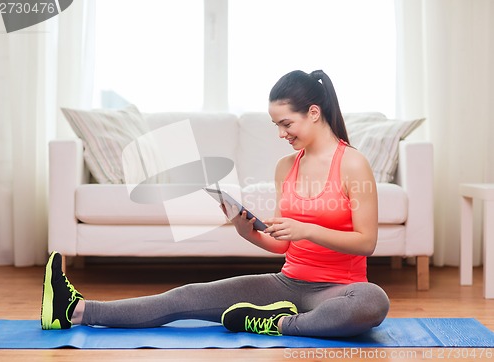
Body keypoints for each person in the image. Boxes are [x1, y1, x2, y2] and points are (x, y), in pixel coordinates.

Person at [41, 70, 390, 337]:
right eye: (276, 125)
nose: (281, 134)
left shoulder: (352, 163)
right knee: (186, 297)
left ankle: (277, 324)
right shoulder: (286, 167)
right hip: (287, 284)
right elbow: (281, 244)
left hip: (339, 292)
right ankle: (75, 309)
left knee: (373, 302)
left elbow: (366, 242)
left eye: (286, 123)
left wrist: (308, 229)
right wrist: (245, 230)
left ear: (314, 113)